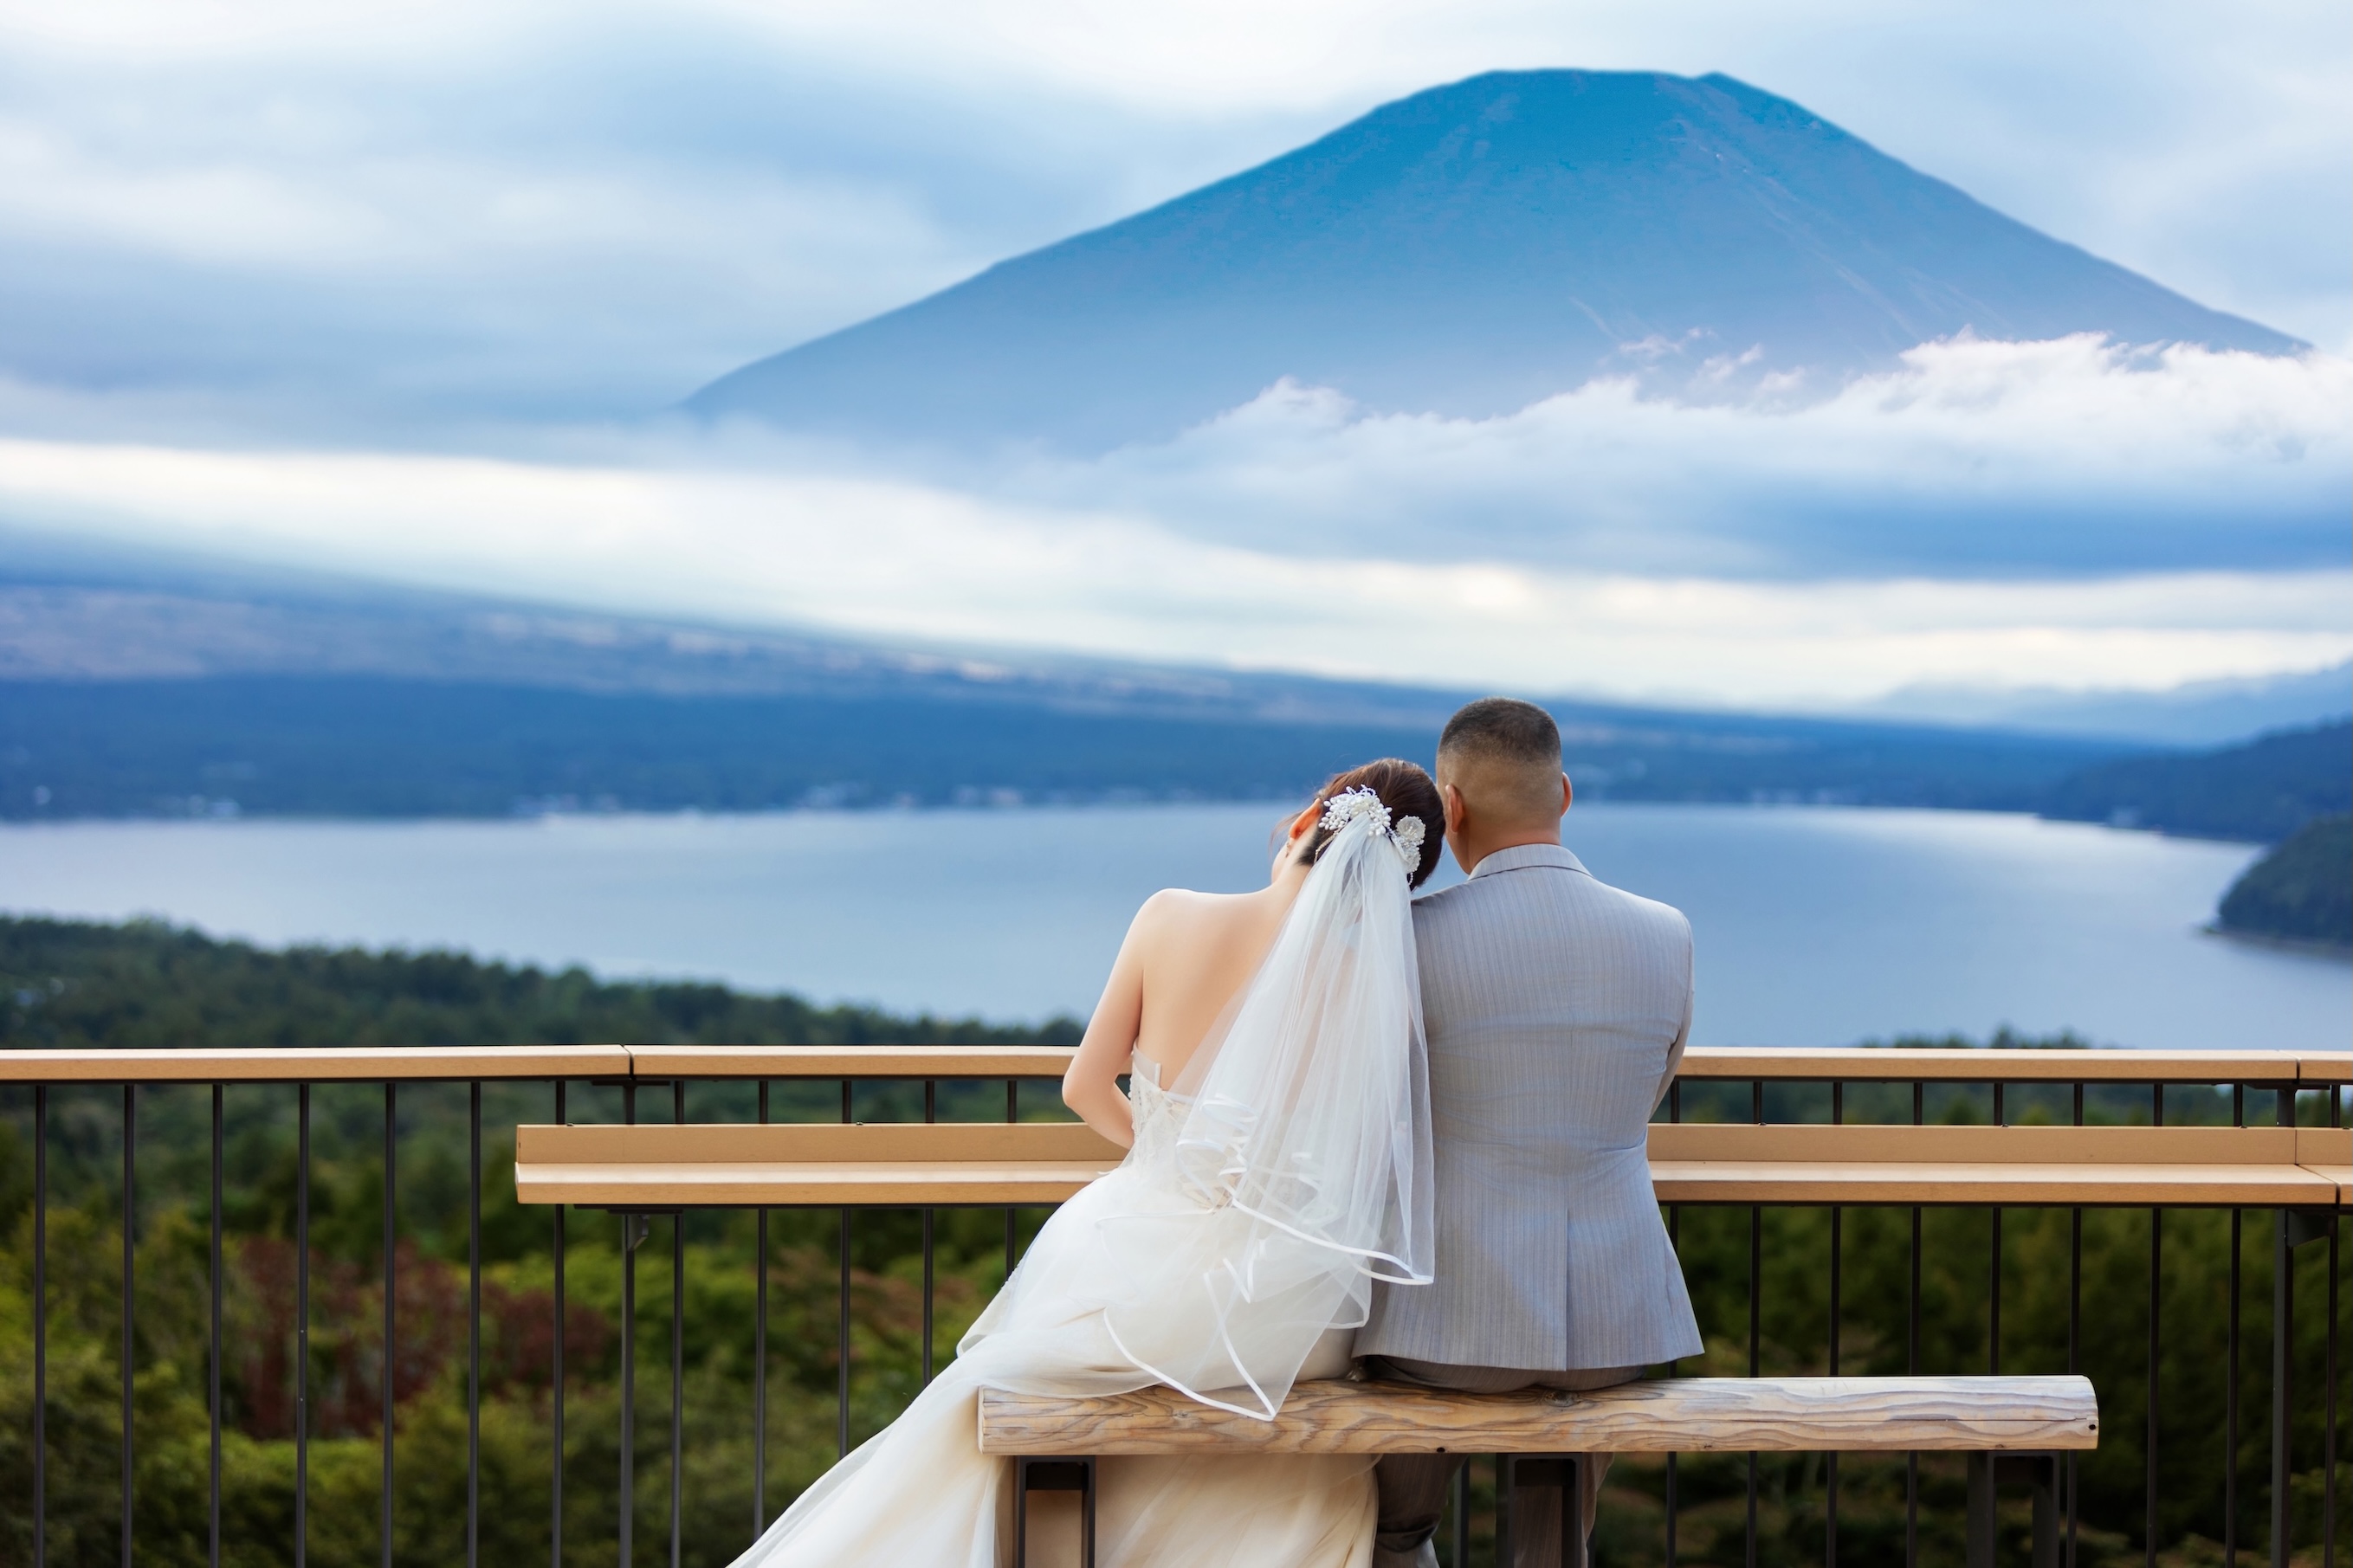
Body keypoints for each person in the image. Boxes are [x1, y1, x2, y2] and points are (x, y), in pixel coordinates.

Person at [729, 759, 1445, 1568]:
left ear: (1304, 820)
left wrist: (1180, 1164)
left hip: (1138, 1265)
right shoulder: (1366, 984)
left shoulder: (1170, 914)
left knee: (1020, 1381)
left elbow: (1084, 1085)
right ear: (1397, 889)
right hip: (1284, 1304)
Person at [1358, 698, 1703, 1568]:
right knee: (1551, 1544)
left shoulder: (1413, 936)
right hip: (1611, 1324)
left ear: (1452, 805)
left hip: (1443, 1323)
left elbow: (1377, 1106)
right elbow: (1649, 1091)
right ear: (1564, 793)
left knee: (1391, 1531)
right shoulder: (1665, 933)